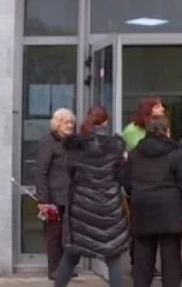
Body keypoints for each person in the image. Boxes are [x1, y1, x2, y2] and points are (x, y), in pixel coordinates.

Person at [55, 105, 129, 287]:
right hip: (110, 207)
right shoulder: (116, 147)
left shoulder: (77, 146)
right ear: (106, 122)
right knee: (113, 257)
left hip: (82, 207)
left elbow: (70, 173)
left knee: (71, 254)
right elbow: (122, 176)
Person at [127, 116, 182, 287]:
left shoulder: (135, 153)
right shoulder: (175, 153)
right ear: (167, 131)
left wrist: (136, 194)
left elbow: (126, 181)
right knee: (171, 257)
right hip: (170, 210)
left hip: (142, 208)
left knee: (142, 259)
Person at [121, 97, 165, 271]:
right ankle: (138, 263)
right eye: (158, 106)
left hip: (155, 183)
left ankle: (149, 264)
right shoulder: (132, 130)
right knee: (139, 227)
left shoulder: (158, 127)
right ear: (148, 109)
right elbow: (142, 152)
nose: (162, 108)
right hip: (137, 183)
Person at [36, 108, 76, 280]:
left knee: (68, 234)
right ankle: (54, 269)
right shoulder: (48, 142)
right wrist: (43, 199)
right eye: (67, 122)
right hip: (53, 197)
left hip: (70, 196)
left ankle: (66, 267)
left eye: (72, 122)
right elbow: (41, 171)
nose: (70, 126)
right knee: (54, 234)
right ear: (57, 124)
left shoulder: (71, 142)